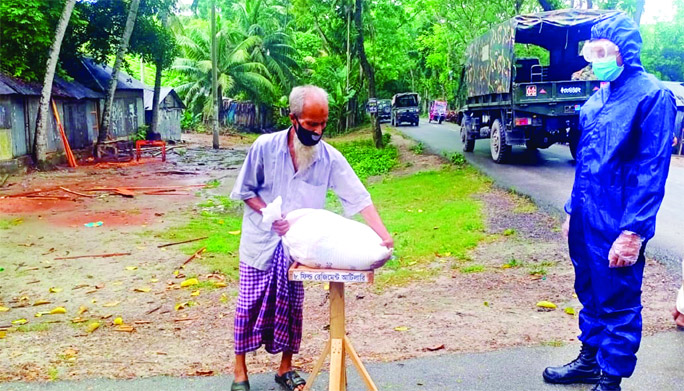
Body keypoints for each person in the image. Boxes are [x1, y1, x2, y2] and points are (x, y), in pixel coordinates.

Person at [543, 14, 676, 391]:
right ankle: (590, 359)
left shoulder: (652, 96)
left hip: (619, 219)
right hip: (587, 215)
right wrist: (573, 212)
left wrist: (634, 231)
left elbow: (651, 170)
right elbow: (585, 165)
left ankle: (610, 376)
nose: (595, 58)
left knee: (617, 296)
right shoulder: (597, 98)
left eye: (604, 51)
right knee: (588, 289)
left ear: (626, 53)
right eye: (592, 50)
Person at [229, 85, 393, 391]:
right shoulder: (264, 147)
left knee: (293, 307)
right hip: (260, 242)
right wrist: (267, 214)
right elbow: (244, 190)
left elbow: (357, 197)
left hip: (298, 248)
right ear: (292, 118)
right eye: (310, 124)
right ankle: (240, 371)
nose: (318, 131)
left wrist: (383, 235)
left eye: (323, 124)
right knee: (248, 306)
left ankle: (285, 369)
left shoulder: (329, 157)